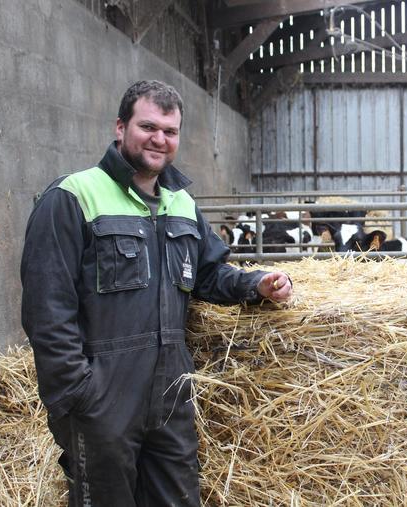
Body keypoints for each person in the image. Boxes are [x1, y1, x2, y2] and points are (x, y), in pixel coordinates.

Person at [20, 80, 292, 506]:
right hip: (102, 397)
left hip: (170, 395)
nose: (160, 139)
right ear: (120, 127)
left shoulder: (181, 204)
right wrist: (78, 393)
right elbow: (46, 308)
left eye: (170, 131)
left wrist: (255, 284)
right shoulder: (73, 197)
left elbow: (206, 273)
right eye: (148, 126)